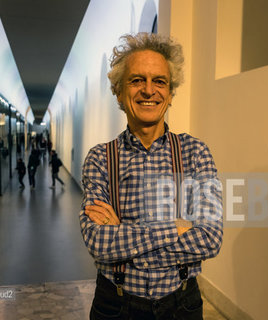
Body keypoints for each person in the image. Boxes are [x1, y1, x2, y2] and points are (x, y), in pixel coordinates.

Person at [80, 33, 223, 320]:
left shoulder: (195, 153)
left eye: (159, 81)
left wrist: (124, 238)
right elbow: (98, 243)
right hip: (116, 306)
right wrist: (179, 227)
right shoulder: (99, 159)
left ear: (170, 93)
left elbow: (210, 237)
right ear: (119, 92)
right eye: (136, 80)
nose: (149, 90)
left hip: (181, 303)